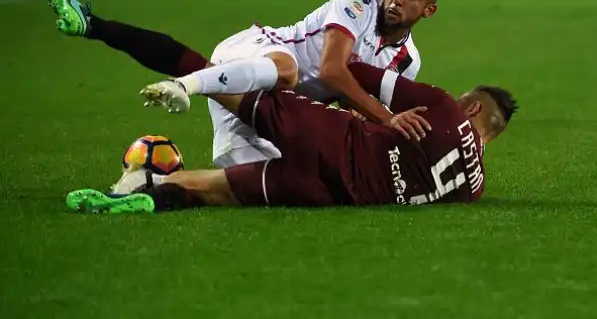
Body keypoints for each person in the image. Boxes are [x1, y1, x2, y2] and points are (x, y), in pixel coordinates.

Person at [48, 0, 447, 169]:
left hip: (264, 104)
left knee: (289, 175)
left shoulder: (407, 61)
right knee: (288, 71)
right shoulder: (358, 0)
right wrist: (385, 117)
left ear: (427, 11)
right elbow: (331, 72)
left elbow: (349, 109)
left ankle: (146, 185)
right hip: (258, 53)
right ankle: (183, 85)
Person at [65, 60, 518, 214]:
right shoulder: (473, 190)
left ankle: (182, 83)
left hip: (332, 137)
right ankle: (147, 193)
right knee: (212, 190)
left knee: (235, 88)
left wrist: (384, 116)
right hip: (326, 193)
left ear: (473, 108)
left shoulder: (442, 107)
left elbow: (355, 72)